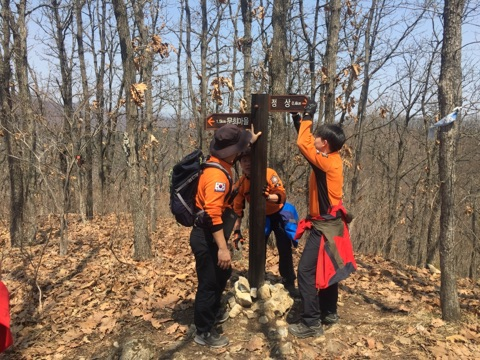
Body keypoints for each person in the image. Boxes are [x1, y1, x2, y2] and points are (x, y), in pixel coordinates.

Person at [288, 100, 357, 339]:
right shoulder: (331, 159)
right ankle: (329, 313)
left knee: (306, 272)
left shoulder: (326, 164)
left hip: (325, 227)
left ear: (325, 144)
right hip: (334, 224)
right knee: (330, 268)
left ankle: (311, 322)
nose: (314, 138)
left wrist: (308, 115)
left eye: (317, 136)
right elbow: (307, 145)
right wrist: (299, 121)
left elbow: (301, 144)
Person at [190, 124, 261, 348]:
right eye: (239, 148)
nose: (241, 152)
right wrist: (222, 247)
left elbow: (240, 146)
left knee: (223, 273)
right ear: (231, 152)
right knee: (209, 284)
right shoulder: (216, 176)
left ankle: (212, 311)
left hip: (210, 235)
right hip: (207, 236)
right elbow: (212, 215)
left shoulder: (222, 163)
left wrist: (250, 138)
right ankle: (203, 331)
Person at [231, 149, 297, 295]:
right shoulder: (241, 183)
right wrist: (236, 231)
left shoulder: (268, 173)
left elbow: (281, 195)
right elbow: (237, 210)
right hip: (261, 217)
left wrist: (268, 197)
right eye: (244, 161)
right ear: (240, 164)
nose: (248, 164)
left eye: (250, 160)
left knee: (284, 247)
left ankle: (289, 281)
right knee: (258, 247)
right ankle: (257, 279)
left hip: (279, 214)